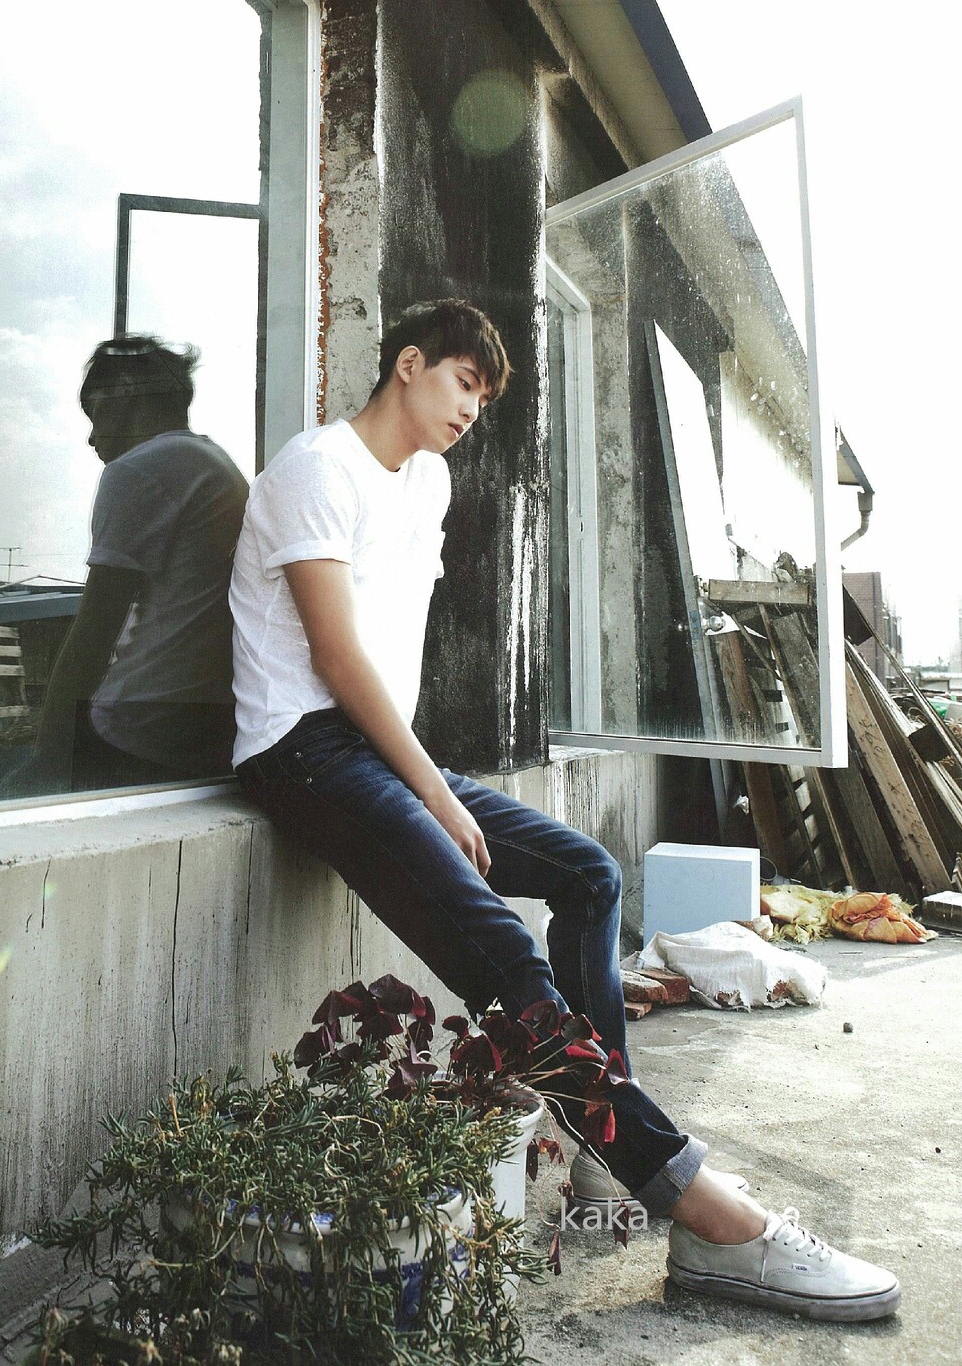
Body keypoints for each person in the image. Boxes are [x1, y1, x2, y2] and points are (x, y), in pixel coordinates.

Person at [230, 299, 899, 1322]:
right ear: (408, 364)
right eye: (462, 381)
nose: (472, 410)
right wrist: (433, 790)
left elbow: (392, 653)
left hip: (378, 750)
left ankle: (603, 1148)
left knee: (589, 872)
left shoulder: (428, 480)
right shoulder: (315, 468)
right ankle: (700, 1209)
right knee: (507, 954)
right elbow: (336, 655)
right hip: (302, 751)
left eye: (484, 397)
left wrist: (424, 778)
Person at [34, 336, 248, 792]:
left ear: (125, 390)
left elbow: (93, 633)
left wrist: (48, 754)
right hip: (206, 728)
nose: (92, 436)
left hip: (136, 727)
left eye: (94, 411)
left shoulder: (141, 467)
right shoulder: (213, 463)